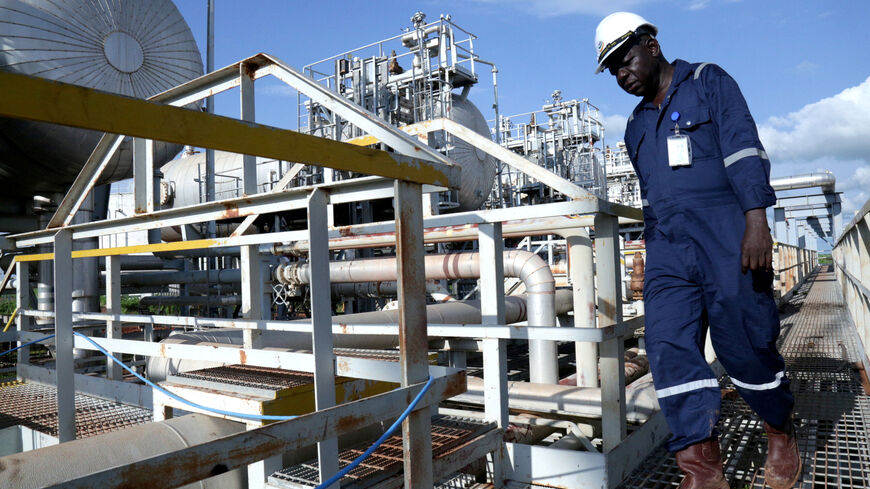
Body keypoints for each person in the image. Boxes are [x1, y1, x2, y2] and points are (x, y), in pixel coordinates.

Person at [593, 12, 801, 489]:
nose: (621, 74)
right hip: (668, 247)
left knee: (744, 342)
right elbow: (652, 194)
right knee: (667, 347)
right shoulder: (635, 126)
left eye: (623, 60)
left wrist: (756, 220)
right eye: (612, 70)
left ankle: (778, 430)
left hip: (727, 235)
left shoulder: (709, 82)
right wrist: (647, 255)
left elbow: (744, 150)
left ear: (650, 44)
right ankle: (701, 468)